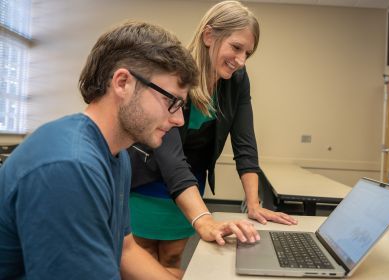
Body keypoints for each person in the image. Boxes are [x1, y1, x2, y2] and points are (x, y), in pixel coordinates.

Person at [0, 21, 259, 279]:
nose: (180, 119)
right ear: (123, 83)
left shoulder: (117, 156)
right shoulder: (69, 167)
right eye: (172, 102)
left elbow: (125, 250)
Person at [128, 1, 298, 269]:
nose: (241, 60)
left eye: (248, 53)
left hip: (190, 184)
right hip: (148, 179)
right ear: (209, 36)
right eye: (236, 47)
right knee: (142, 259)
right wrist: (204, 220)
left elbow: (245, 142)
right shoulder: (173, 72)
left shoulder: (238, 80)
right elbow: (169, 156)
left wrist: (252, 203)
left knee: (173, 257)